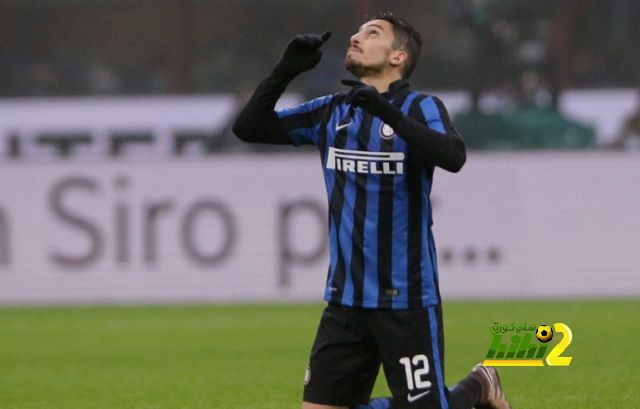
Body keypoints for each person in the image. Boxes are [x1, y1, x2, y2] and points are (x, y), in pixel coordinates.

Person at [233, 11, 511, 409]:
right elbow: (248, 128)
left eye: (373, 33)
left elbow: (453, 156)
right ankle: (477, 385)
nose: (356, 37)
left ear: (398, 57)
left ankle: (478, 386)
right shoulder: (332, 111)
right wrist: (285, 70)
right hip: (345, 300)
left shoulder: (421, 107)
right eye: (358, 32)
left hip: (406, 299)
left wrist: (386, 112)